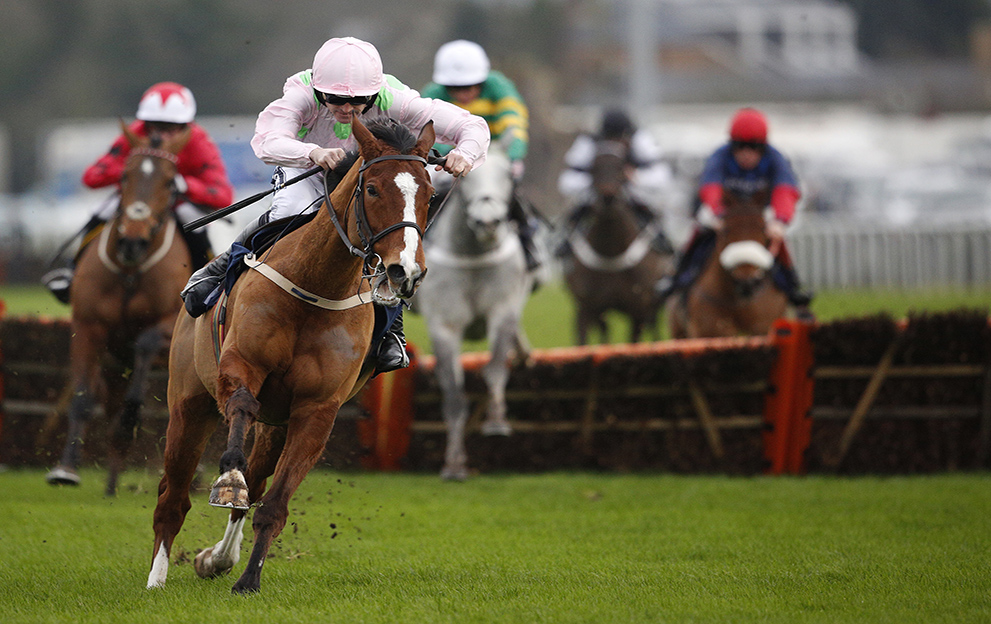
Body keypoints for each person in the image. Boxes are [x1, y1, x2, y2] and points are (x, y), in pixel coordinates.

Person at [180, 37, 491, 373]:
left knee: (384, 237)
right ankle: (218, 269)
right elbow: (267, 139)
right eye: (336, 100)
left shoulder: (399, 100)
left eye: (357, 101)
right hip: (309, 167)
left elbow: (471, 125)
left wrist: (465, 153)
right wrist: (311, 152)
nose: (346, 108)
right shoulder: (301, 95)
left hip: (368, 176)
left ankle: (391, 331)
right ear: (318, 90)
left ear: (374, 92)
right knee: (289, 215)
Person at [42, 82, 234, 304]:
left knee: (196, 224)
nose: (160, 135)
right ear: (145, 123)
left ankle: (208, 282)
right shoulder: (134, 134)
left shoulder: (198, 141)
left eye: (170, 128)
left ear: (185, 125)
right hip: (133, 198)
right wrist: (133, 172)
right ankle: (72, 274)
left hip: (175, 201)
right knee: (100, 214)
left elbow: (222, 194)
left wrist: (185, 185)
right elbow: (92, 177)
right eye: (154, 126)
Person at [656, 107, 813, 318]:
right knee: (699, 232)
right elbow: (710, 187)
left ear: (763, 148)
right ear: (732, 146)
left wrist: (781, 221)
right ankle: (679, 276)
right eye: (741, 147)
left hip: (759, 214)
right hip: (725, 212)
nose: (746, 154)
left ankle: (792, 286)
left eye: (754, 148)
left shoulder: (777, 160)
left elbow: (785, 191)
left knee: (780, 239)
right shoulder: (719, 157)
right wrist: (717, 212)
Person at [420, 39, 541, 272]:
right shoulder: (432, 93)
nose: (464, 93)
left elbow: (513, 122)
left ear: (483, 80)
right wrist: (448, 158)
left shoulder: (499, 86)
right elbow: (427, 133)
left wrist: (514, 155)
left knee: (513, 194)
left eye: (470, 86)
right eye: (455, 88)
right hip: (451, 162)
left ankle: (529, 245)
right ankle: (420, 240)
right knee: (429, 192)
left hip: (494, 157)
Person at [556, 108, 674, 257]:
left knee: (652, 218)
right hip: (595, 195)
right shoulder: (589, 142)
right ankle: (565, 244)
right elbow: (566, 181)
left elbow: (663, 177)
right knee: (574, 218)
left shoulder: (641, 140)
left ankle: (663, 246)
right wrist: (595, 181)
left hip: (631, 194)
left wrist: (635, 177)